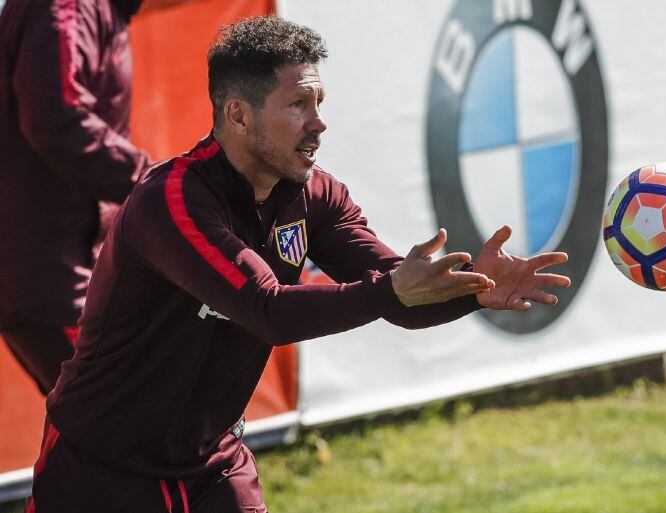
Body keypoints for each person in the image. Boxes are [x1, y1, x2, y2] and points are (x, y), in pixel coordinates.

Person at [25, 16, 571, 513]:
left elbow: (399, 297)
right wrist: (395, 291)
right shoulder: (173, 200)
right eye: (298, 105)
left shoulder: (317, 195)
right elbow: (267, 311)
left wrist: (471, 288)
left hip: (212, 465)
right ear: (237, 114)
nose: (319, 124)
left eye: (320, 103)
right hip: (101, 471)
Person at [0, 0, 149, 394]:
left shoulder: (103, 9)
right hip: (53, 271)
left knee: (93, 435)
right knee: (126, 422)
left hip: (71, 265)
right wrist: (155, 182)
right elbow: (57, 118)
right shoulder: (66, 5)